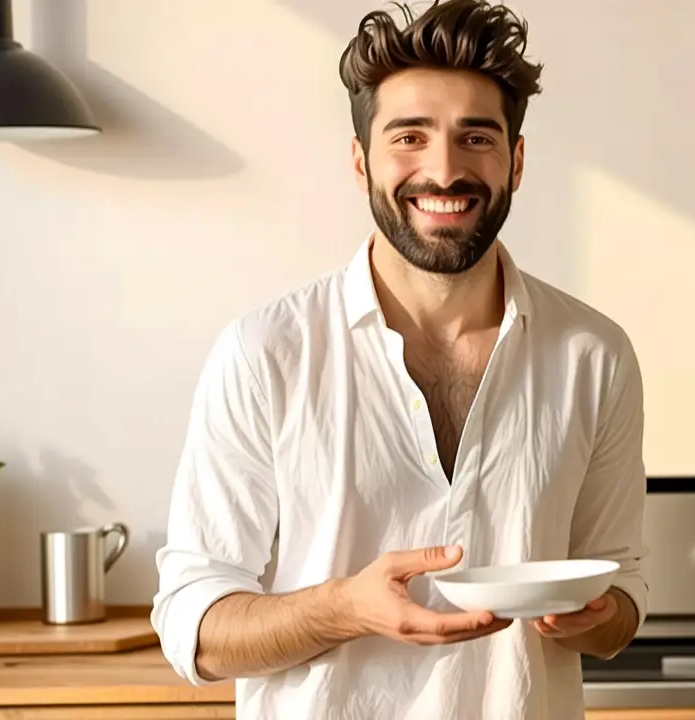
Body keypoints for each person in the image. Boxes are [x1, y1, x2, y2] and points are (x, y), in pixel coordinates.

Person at [150, 1, 648, 718]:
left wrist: (590, 614)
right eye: (409, 137)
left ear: (517, 159)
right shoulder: (267, 353)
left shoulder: (593, 356)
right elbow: (192, 629)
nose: (444, 171)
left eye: (475, 137)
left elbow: (622, 599)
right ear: (361, 163)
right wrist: (342, 609)